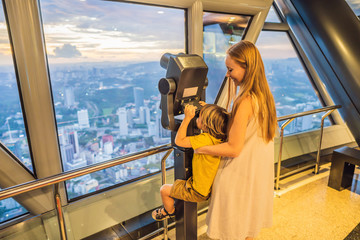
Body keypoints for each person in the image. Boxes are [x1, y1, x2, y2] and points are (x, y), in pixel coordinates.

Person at [195, 40, 277, 240]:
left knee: (230, 230)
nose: (227, 74)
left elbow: (234, 148)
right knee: (247, 227)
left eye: (230, 69)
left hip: (237, 176)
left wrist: (200, 149)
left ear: (246, 67)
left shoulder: (245, 101)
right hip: (255, 175)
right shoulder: (264, 98)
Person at [152, 104, 229, 221]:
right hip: (206, 189)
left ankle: (168, 212)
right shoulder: (221, 138)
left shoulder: (205, 139)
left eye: (199, 117)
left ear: (206, 125)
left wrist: (187, 118)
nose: (196, 118)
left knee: (164, 190)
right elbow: (220, 117)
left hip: (196, 191)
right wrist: (207, 107)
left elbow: (179, 141)